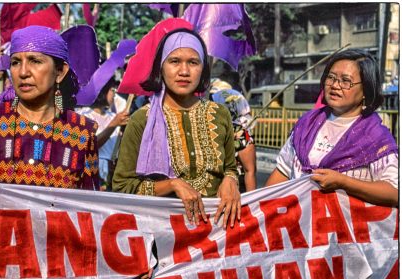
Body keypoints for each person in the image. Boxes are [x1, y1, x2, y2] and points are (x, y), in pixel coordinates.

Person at [112, 28, 241, 229]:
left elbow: (230, 168)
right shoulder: (142, 120)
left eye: (193, 62)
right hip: (164, 238)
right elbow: (122, 188)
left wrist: (230, 180)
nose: (184, 71)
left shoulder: (220, 113)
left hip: (217, 237)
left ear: (203, 69)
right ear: (161, 67)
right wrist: (172, 185)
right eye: (174, 61)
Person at [265, 49, 398, 207]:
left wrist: (344, 182)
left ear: (365, 90)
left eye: (345, 81)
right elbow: (283, 172)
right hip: (300, 226)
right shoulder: (306, 124)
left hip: (345, 229)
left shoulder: (375, 136)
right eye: (331, 77)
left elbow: (394, 192)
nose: (335, 85)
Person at [0, 25, 100, 199]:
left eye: (35, 61)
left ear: (60, 72)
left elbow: (90, 204)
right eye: (15, 62)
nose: (23, 72)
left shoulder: (83, 131)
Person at [77, 78, 130, 190]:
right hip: (90, 171)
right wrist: (114, 124)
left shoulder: (113, 116)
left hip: (110, 175)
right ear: (102, 91)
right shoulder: (83, 116)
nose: (114, 95)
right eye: (112, 90)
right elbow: (90, 145)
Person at [210, 77, 257, 193]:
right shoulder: (210, 127)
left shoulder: (241, 135)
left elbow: (249, 172)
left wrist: (251, 203)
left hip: (235, 192)